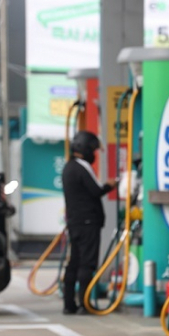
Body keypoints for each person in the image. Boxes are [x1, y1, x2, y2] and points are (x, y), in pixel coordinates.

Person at [61, 131, 117, 314]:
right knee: (87, 264)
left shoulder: (68, 167)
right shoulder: (82, 167)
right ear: (85, 149)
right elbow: (96, 191)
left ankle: (69, 304)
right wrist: (110, 184)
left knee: (74, 263)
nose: (94, 154)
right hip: (88, 223)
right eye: (93, 150)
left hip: (75, 222)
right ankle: (85, 304)